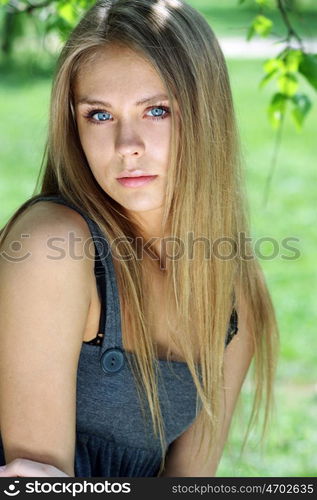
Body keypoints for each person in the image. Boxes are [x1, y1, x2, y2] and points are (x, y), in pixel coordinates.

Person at [0, 0, 279, 478]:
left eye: (156, 110)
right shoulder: (54, 247)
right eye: (100, 115)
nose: (128, 144)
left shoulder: (232, 291)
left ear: (205, 114)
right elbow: (35, 483)